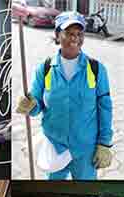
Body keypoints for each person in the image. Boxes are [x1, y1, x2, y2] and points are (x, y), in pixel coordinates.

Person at [16, 11, 113, 180]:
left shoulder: (96, 69)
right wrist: (29, 104)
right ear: (57, 34)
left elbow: (105, 109)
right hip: (55, 147)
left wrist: (104, 143)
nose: (75, 38)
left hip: (85, 149)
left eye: (79, 33)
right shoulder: (44, 69)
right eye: (69, 33)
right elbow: (37, 104)